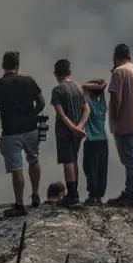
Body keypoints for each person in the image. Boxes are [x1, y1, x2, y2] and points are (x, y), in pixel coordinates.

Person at [0, 51, 46, 216]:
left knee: (17, 168)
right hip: (31, 128)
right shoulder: (29, 81)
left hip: (10, 132)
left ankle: (19, 204)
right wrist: (33, 114)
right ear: (17, 65)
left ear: (3, 65)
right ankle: (35, 194)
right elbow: (41, 102)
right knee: (34, 160)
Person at [106, 43, 133, 207]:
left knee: (130, 160)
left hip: (125, 122)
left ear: (115, 57)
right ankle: (131, 190)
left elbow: (116, 99)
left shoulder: (119, 72)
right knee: (131, 158)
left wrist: (114, 120)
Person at [50, 58, 89, 207]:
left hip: (65, 131)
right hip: (78, 132)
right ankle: (75, 192)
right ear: (69, 72)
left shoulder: (58, 90)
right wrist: (80, 126)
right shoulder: (78, 88)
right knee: (74, 160)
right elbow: (87, 109)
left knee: (67, 161)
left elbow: (61, 113)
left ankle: (72, 195)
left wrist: (72, 128)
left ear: (56, 74)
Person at [81, 78, 109, 206]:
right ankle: (99, 195)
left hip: (91, 141)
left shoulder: (88, 105)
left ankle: (93, 195)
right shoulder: (102, 105)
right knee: (102, 168)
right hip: (103, 140)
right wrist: (98, 84)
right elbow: (103, 84)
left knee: (90, 168)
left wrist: (91, 83)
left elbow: (83, 86)